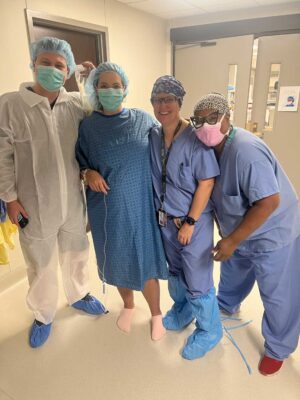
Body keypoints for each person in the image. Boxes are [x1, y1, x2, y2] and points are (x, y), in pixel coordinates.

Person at [0, 37, 106, 348]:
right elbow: (2, 155)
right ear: (33, 64)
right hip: (33, 202)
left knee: (76, 252)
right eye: (45, 63)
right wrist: (10, 198)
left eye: (59, 65)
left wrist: (91, 80)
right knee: (40, 262)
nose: (51, 69)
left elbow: (100, 113)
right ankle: (44, 314)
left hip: (73, 199)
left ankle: (78, 295)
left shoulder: (74, 104)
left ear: (68, 70)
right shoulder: (9, 105)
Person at [192, 92, 300, 375]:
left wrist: (232, 240)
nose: (205, 126)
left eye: (212, 119)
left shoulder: (245, 151)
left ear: (228, 117)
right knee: (234, 272)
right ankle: (227, 304)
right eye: (199, 120)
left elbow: (268, 202)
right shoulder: (210, 149)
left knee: (278, 293)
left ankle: (279, 347)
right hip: (237, 229)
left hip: (272, 232)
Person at [75, 62, 168, 341]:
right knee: (116, 258)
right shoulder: (88, 127)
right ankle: (128, 306)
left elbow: (169, 145)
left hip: (142, 207)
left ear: (124, 88)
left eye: (116, 85)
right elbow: (79, 163)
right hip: (108, 208)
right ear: (96, 89)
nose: (111, 90)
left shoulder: (143, 120)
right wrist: (87, 172)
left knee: (146, 259)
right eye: (104, 85)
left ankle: (156, 313)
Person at [149, 76, 222, 360]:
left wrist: (190, 222)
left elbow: (206, 182)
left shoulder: (196, 139)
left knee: (197, 275)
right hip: (166, 221)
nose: (162, 105)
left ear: (179, 103)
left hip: (193, 223)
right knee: (175, 271)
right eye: (157, 99)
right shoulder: (153, 136)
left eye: (169, 99)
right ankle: (183, 309)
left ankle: (210, 330)